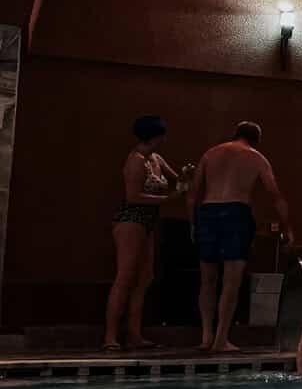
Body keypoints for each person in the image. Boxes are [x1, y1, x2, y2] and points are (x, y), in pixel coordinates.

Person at [189, 121, 291, 353]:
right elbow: (275, 195)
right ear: (256, 139)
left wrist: (193, 223)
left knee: (207, 280)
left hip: (207, 211)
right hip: (236, 212)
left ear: (235, 134)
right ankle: (221, 339)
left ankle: (206, 336)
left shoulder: (210, 154)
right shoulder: (256, 157)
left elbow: (193, 193)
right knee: (231, 281)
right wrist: (287, 228)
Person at [103, 115, 188, 351]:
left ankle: (134, 334)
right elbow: (133, 196)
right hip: (131, 220)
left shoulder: (156, 158)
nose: (165, 139)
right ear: (154, 136)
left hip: (148, 222)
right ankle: (110, 336)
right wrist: (167, 199)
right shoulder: (136, 161)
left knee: (145, 277)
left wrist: (186, 175)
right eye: (162, 135)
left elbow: (176, 179)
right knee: (125, 276)